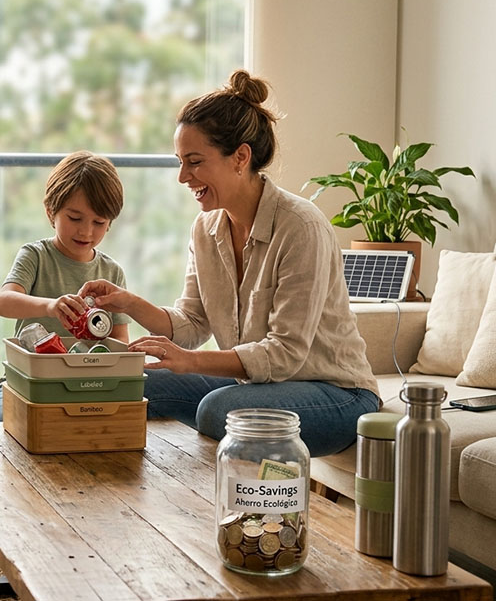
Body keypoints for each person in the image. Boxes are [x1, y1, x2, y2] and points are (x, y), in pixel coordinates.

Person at [79, 70, 380, 457]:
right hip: (256, 386)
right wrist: (129, 303)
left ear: (240, 157)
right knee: (131, 380)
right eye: (180, 162)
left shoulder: (301, 227)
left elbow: (285, 354)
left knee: (217, 411)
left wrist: (190, 362)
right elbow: (191, 324)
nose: (183, 177)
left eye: (195, 162)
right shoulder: (206, 229)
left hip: (336, 394)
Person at [0, 151, 129, 420]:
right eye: (75, 218)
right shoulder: (35, 255)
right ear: (51, 211)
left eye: (99, 222)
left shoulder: (112, 272)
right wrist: (51, 306)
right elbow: (4, 302)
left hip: (87, 390)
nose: (86, 232)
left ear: (110, 223)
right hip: (25, 383)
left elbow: (120, 342)